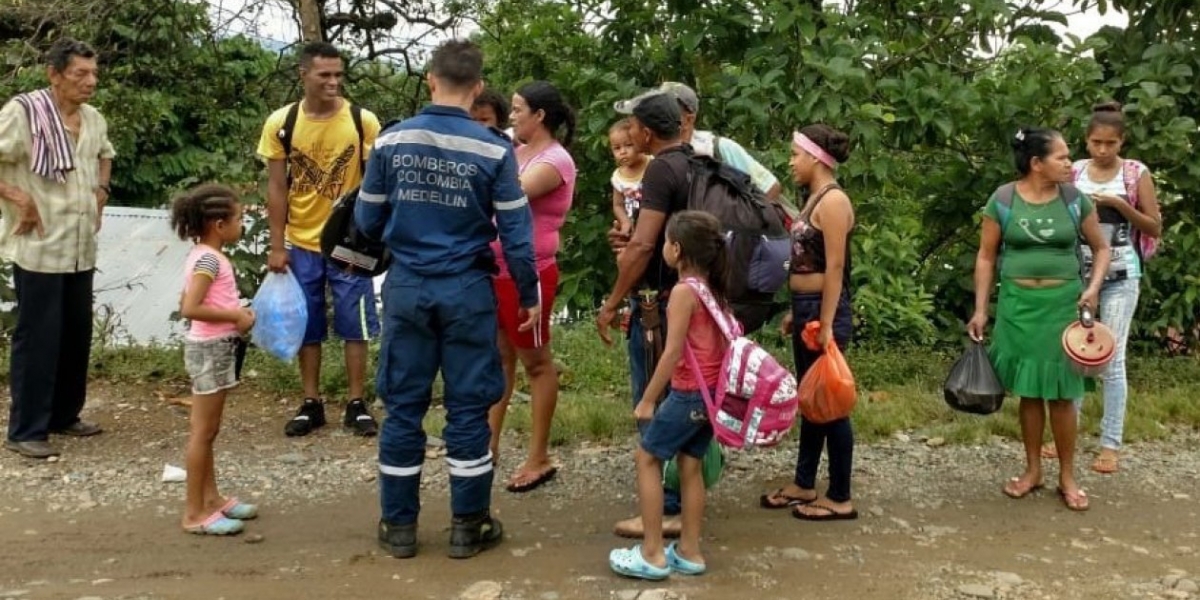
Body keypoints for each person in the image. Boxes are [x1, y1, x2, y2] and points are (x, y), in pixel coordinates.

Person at [355, 39, 540, 560]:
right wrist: (528, 293)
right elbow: (517, 236)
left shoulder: (392, 141)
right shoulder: (494, 149)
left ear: (431, 80)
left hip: (408, 287)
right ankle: (468, 525)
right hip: (467, 291)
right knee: (468, 407)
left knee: (404, 407)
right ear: (478, 87)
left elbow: (367, 221)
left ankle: (398, 527)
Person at [967, 127, 1110, 512]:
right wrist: (981, 309)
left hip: (1063, 307)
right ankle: (1032, 470)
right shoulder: (1003, 199)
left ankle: (1067, 475)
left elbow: (1101, 249)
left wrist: (1093, 288)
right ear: (1036, 163)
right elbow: (985, 256)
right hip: (1018, 306)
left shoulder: (1074, 200)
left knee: (1063, 395)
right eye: (1062, 157)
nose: (1070, 163)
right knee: (1029, 394)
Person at [256, 41, 383, 438]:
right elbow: (276, 187)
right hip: (301, 239)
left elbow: (378, 183)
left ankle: (356, 402)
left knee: (355, 322)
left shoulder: (363, 121)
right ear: (303, 74)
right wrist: (277, 246)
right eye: (324, 74)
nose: (332, 82)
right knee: (306, 322)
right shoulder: (282, 122)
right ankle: (310, 401)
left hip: (351, 242)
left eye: (338, 75)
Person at [0, 38, 113, 459]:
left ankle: (65, 415)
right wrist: (19, 197)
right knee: (38, 337)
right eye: (80, 74)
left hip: (80, 244)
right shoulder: (24, 113)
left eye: (94, 73)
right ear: (54, 74)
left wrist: (102, 187)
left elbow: (105, 154)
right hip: (40, 244)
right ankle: (26, 429)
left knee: (75, 334)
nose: (90, 82)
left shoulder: (93, 118)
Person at [608, 211, 726, 580]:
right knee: (690, 465)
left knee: (647, 458)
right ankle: (689, 551)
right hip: (711, 398)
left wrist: (647, 399)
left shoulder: (682, 292)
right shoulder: (714, 288)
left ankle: (653, 553)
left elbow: (672, 352)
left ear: (676, 249)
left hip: (689, 394)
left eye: (665, 242)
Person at [595, 92, 691, 539]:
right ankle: (685, 499)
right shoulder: (697, 163)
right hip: (694, 300)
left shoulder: (658, 171)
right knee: (687, 397)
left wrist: (613, 302)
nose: (629, 134)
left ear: (648, 133)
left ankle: (665, 507)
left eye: (632, 127)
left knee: (651, 398)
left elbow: (643, 245)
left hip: (657, 305)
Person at [759, 125, 859, 520]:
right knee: (811, 398)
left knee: (830, 401)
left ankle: (840, 496)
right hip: (806, 307)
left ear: (816, 157)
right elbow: (808, 259)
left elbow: (835, 268)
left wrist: (827, 320)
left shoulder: (833, 201)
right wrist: (794, 309)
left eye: (795, 154)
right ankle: (804, 482)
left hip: (823, 310)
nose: (791, 162)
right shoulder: (813, 199)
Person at [486, 80, 576, 493]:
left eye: (519, 109)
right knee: (499, 358)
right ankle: (489, 447)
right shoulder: (514, 148)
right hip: (495, 269)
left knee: (536, 362)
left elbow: (511, 195)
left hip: (530, 274)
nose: (512, 115)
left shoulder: (555, 161)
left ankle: (538, 455)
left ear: (540, 115)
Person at [1069, 101, 1161, 474]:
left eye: (1110, 143)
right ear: (1087, 141)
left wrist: (1118, 206)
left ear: (1121, 142)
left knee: (1113, 359)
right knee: (1073, 353)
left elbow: (1153, 226)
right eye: (1095, 142)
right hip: (1079, 272)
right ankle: (1067, 433)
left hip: (1123, 275)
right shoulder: (1074, 172)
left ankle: (1110, 444)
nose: (1103, 150)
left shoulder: (1136, 173)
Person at [170, 183, 258, 535]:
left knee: (209, 431)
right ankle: (194, 513)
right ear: (219, 225)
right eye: (238, 218)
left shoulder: (202, 255)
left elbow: (188, 299)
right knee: (202, 432)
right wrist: (235, 317)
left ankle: (212, 499)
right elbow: (190, 308)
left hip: (216, 347)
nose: (242, 225)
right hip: (210, 348)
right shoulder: (209, 258)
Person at [610, 118, 652, 237]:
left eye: (628, 145)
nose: (623, 152)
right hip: (634, 230)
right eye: (617, 148)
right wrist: (625, 222)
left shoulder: (653, 164)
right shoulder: (617, 177)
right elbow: (618, 205)